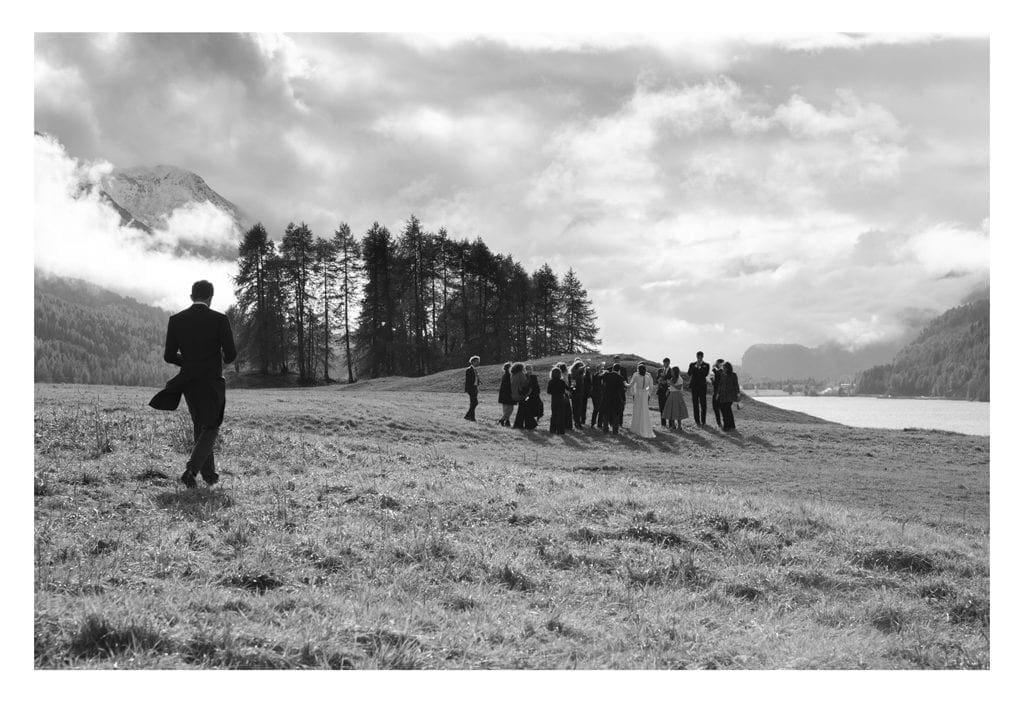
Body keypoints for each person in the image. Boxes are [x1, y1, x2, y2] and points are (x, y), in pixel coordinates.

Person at [149, 280, 237, 489]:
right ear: (211, 297)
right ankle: (191, 471)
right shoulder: (220, 319)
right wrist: (216, 358)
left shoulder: (176, 320)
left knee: (201, 424)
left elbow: (169, 356)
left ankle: (209, 476)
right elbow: (231, 355)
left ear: (191, 297)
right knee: (212, 425)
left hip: (188, 380)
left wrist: (189, 363)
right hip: (212, 380)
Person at [628, 362, 656, 438]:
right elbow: (650, 387)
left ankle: (636, 428)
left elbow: (630, 385)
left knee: (637, 410)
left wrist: (625, 383)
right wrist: (648, 393)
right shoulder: (647, 377)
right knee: (644, 411)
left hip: (638, 394)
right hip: (644, 394)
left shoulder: (636, 376)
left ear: (638, 369)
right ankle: (645, 427)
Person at [601, 362, 627, 434]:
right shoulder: (620, 378)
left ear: (612, 369)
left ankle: (605, 430)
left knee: (606, 414)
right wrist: (624, 399)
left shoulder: (606, 375)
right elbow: (622, 391)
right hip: (616, 399)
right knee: (616, 415)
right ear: (619, 370)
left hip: (606, 397)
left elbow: (601, 382)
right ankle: (615, 431)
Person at [687, 351, 710, 427]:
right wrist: (696, 366)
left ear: (702, 357)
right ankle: (697, 421)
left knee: (703, 404)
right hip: (694, 387)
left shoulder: (706, 365)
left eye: (700, 357)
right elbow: (689, 373)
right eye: (698, 356)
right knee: (695, 404)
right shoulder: (692, 364)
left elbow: (705, 374)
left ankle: (703, 421)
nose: (699, 358)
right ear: (696, 356)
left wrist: (699, 367)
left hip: (702, 387)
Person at [511, 362, 535, 429]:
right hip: (520, 394)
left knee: (523, 408)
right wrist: (528, 377)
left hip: (514, 394)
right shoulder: (520, 374)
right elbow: (525, 383)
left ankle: (524, 424)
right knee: (523, 409)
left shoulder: (513, 374)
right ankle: (524, 424)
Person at [718, 361, 742, 431]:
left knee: (726, 410)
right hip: (722, 395)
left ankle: (726, 426)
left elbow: (736, 385)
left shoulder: (733, 375)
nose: (723, 368)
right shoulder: (722, 374)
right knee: (726, 410)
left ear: (728, 368)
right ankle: (731, 425)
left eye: (725, 367)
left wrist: (738, 394)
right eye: (723, 367)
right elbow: (720, 384)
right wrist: (718, 393)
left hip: (730, 396)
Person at [547, 366, 569, 434]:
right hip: (561, 399)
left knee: (554, 414)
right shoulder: (562, 382)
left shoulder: (551, 381)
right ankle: (560, 430)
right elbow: (568, 389)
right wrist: (574, 387)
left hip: (554, 399)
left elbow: (548, 391)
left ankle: (552, 429)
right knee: (561, 415)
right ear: (560, 374)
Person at [569, 359, 587, 429]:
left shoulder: (576, 375)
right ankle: (577, 423)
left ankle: (577, 422)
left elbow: (573, 386)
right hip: (577, 394)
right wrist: (574, 391)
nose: (581, 368)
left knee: (576, 409)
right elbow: (573, 386)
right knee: (577, 409)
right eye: (580, 366)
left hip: (577, 394)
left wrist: (574, 390)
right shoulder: (576, 374)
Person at [556, 362, 574, 432]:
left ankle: (565, 425)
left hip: (562, 394)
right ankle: (568, 425)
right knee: (567, 411)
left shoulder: (560, 375)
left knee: (564, 410)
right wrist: (568, 392)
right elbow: (565, 386)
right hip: (565, 394)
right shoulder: (565, 376)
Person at [655, 357, 671, 427]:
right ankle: (663, 424)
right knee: (661, 408)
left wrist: (667, 381)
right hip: (661, 391)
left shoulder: (672, 370)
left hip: (669, 391)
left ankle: (671, 424)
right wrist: (660, 380)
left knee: (670, 408)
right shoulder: (660, 370)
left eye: (667, 363)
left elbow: (673, 380)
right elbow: (656, 379)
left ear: (669, 363)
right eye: (664, 363)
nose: (665, 364)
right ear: (663, 363)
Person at [464, 355, 481, 421]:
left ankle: (470, 417)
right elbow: (468, 381)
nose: (478, 363)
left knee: (473, 403)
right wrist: (470, 389)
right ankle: (468, 416)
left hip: (475, 388)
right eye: (477, 361)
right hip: (471, 388)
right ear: (473, 362)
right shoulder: (469, 369)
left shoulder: (475, 370)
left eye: (478, 361)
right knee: (474, 403)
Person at [589, 362, 606, 428]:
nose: (602, 369)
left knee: (601, 409)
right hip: (595, 394)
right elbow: (599, 376)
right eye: (600, 368)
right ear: (597, 369)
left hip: (601, 394)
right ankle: (593, 423)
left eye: (602, 368)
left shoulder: (602, 375)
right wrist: (603, 372)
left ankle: (599, 424)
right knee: (596, 409)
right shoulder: (595, 374)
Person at [710, 358, 725, 428]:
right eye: (720, 364)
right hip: (716, 392)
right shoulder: (714, 371)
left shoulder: (722, 371)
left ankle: (723, 423)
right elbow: (713, 382)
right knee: (716, 408)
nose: (722, 365)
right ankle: (719, 423)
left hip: (721, 393)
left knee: (722, 409)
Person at [498, 362, 514, 426]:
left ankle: (506, 421)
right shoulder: (509, 375)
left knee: (506, 409)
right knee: (509, 409)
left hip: (504, 394)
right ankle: (503, 420)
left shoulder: (506, 375)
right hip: (508, 394)